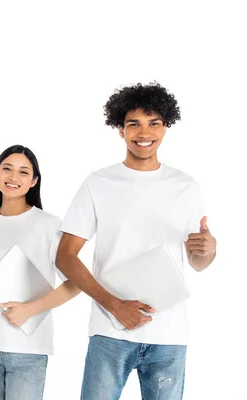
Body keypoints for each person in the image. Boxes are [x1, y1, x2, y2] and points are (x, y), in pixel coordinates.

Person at [56, 82, 217, 399]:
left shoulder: (186, 187)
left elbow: (198, 263)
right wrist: (114, 305)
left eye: (154, 123)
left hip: (169, 334)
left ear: (166, 126)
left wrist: (207, 251)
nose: (145, 133)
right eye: (134, 124)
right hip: (110, 331)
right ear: (120, 129)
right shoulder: (99, 183)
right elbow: (65, 256)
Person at [0, 145, 80, 399]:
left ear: (33, 181)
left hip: (30, 346)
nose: (13, 177)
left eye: (23, 172)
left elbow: (76, 283)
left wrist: (30, 309)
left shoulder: (50, 225)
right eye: (7, 169)